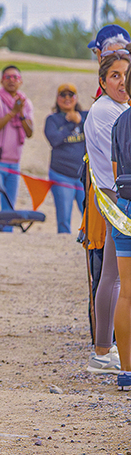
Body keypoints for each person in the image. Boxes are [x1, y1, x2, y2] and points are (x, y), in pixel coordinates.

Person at [84, 52, 130, 374]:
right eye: (114, 75)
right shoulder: (103, 112)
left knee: (115, 279)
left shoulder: (121, 110)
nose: (121, 81)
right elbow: (117, 162)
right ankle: (102, 350)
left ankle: (107, 348)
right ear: (102, 81)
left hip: (120, 193)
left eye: (125, 75)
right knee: (112, 279)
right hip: (116, 195)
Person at [0, 65, 34, 232]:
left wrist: (21, 113)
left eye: (15, 77)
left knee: (10, 203)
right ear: (1, 80)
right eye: (8, 77)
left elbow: (30, 132)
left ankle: (7, 236)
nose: (12, 80)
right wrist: (13, 112)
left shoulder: (25, 102)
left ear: (21, 81)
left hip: (14, 162)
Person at [108, 66, 131, 390]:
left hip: (124, 206)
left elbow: (115, 171)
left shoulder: (120, 122)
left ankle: (127, 369)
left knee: (126, 291)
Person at [45, 83, 87, 234]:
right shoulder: (52, 119)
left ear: (76, 98)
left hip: (84, 176)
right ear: (57, 99)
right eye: (63, 95)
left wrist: (80, 122)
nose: (67, 98)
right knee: (64, 218)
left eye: (71, 95)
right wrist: (71, 124)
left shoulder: (86, 116)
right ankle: (64, 242)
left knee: (89, 216)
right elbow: (54, 139)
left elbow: (95, 136)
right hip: (61, 175)